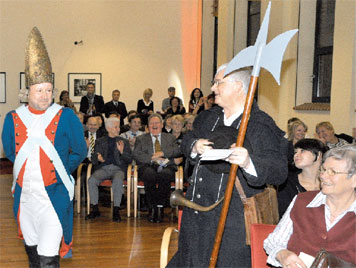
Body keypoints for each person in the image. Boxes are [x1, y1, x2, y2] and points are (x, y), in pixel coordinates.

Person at [168, 65, 288, 267]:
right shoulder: (209, 117)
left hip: (232, 222)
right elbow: (188, 139)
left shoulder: (260, 124)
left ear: (238, 86)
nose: (213, 88)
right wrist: (194, 146)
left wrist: (249, 162)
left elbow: (279, 171)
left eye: (218, 82)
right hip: (196, 215)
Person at [1, 27, 87, 267]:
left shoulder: (66, 116)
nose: (45, 95)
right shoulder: (13, 118)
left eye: (49, 90)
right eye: (40, 90)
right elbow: (10, 151)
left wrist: (59, 170)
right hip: (25, 199)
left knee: (49, 257)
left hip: (54, 197)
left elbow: (80, 150)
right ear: (28, 92)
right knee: (32, 254)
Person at [264, 145, 356, 267]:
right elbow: (273, 241)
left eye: (332, 172)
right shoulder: (302, 200)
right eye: (323, 170)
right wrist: (282, 254)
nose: (323, 176)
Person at [133, 114, 181, 223]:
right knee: (149, 175)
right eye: (151, 123)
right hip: (148, 165)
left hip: (166, 165)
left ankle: (160, 208)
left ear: (162, 125)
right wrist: (151, 157)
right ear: (147, 126)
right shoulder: (141, 139)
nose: (154, 125)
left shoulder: (170, 137)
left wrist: (162, 153)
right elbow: (136, 154)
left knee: (165, 175)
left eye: (157, 123)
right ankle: (152, 208)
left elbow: (177, 151)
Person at [86, 117, 132, 222]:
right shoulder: (100, 141)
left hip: (118, 169)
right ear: (108, 128)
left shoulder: (124, 141)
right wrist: (98, 159)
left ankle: (116, 210)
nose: (118, 129)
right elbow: (93, 158)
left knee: (118, 180)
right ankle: (95, 209)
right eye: (115, 127)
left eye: (118, 127)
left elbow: (129, 159)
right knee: (91, 180)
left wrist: (122, 152)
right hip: (104, 168)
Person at [278, 138, 327, 218]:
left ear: (318, 155)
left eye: (302, 151)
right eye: (295, 152)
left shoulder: (329, 182)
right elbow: (284, 216)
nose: (296, 155)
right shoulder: (287, 183)